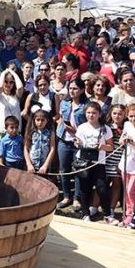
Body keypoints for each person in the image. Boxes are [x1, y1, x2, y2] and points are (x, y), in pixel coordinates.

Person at [74, 101, 114, 222]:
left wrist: (102, 147)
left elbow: (111, 147)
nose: (91, 115)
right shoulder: (81, 127)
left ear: (100, 114)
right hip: (83, 161)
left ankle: (107, 214)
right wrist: (77, 143)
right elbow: (77, 142)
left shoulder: (105, 128)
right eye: (88, 113)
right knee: (84, 188)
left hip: (99, 162)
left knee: (102, 188)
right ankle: (85, 213)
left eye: (94, 113)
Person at [55, 79, 88, 209]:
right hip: (64, 140)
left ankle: (76, 198)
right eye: (70, 88)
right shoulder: (65, 102)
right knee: (64, 170)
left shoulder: (86, 105)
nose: (72, 91)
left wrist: (75, 131)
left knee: (78, 170)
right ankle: (66, 196)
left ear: (82, 90)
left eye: (75, 88)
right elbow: (60, 117)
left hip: (79, 141)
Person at [24, 109, 55, 174]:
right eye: (38, 120)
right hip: (32, 166)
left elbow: (52, 149)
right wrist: (29, 164)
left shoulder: (50, 132)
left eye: (43, 120)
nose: (40, 122)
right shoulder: (31, 132)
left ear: (47, 120)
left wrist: (45, 165)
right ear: (34, 120)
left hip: (44, 166)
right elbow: (26, 148)